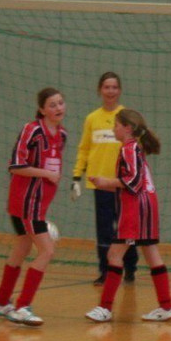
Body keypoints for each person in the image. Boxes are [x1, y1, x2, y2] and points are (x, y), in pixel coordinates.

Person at [85, 109, 171, 323]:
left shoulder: (129, 148)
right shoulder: (134, 148)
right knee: (151, 254)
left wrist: (107, 182)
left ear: (127, 128)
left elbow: (133, 183)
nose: (113, 129)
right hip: (147, 205)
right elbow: (132, 182)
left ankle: (105, 308)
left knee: (114, 255)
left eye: (116, 125)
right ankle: (166, 306)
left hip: (137, 207)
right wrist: (105, 184)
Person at [0, 87, 68, 327]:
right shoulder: (32, 130)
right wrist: (46, 174)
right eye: (52, 105)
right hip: (26, 201)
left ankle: (1, 302)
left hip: (39, 203)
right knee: (47, 251)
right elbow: (16, 166)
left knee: (22, 247)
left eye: (61, 103)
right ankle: (22, 307)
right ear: (42, 110)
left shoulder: (62, 135)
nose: (58, 108)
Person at [71, 72, 138, 286]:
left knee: (126, 229)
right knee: (104, 231)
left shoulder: (126, 116)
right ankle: (105, 271)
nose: (110, 91)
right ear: (100, 90)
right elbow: (84, 149)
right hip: (100, 184)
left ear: (120, 90)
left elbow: (135, 149)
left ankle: (130, 268)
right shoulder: (92, 119)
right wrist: (76, 177)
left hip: (122, 185)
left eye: (114, 87)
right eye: (107, 87)